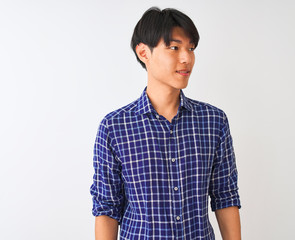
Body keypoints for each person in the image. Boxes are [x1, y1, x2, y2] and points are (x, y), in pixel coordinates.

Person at [90, 7, 241, 240]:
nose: (186, 58)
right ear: (144, 53)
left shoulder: (213, 121)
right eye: (174, 47)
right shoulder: (114, 127)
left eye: (190, 48)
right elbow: (107, 209)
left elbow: (225, 197)